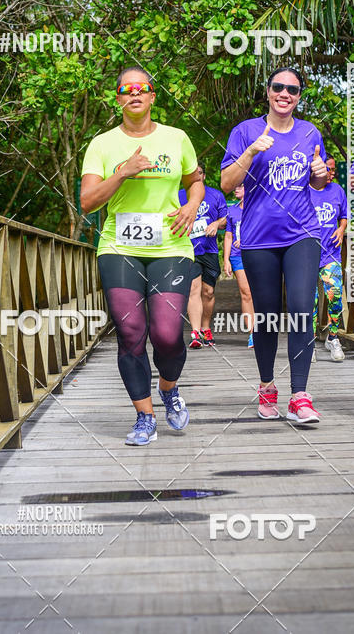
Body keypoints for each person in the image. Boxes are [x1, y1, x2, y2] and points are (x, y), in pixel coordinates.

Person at [80, 66, 204, 445]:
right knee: (131, 333)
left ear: (152, 97)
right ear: (118, 98)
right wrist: (123, 172)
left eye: (142, 88)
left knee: (167, 335)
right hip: (120, 247)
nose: (134, 93)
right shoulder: (102, 144)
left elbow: (195, 179)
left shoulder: (176, 137)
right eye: (126, 89)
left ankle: (169, 389)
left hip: (171, 246)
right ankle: (144, 416)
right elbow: (87, 203)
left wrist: (192, 207)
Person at [221, 67, 328, 424]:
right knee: (266, 315)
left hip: (303, 233)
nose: (285, 94)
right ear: (268, 92)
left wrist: (319, 175)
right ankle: (267, 386)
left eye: (293, 89)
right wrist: (251, 152)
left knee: (300, 307)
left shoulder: (310, 132)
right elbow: (226, 183)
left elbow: (319, 181)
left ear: (299, 96)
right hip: (258, 238)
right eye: (278, 87)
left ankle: (300, 395)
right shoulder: (245, 131)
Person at [179, 165, 227, 347]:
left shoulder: (215, 195)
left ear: (204, 176)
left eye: (199, 173)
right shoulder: (178, 195)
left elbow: (226, 219)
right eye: (192, 174)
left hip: (209, 250)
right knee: (193, 289)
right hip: (188, 249)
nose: (196, 176)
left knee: (208, 292)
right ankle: (195, 333)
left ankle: (206, 328)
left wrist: (216, 223)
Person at [310, 156, 348, 362]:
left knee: (335, 298)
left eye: (334, 169)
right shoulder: (304, 190)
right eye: (329, 169)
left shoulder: (337, 191)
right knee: (310, 301)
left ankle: (333, 337)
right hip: (306, 254)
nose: (332, 173)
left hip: (330, 253)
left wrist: (342, 229)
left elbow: (344, 214)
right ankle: (309, 342)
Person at [223, 184, 255, 347]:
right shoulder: (232, 210)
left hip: (257, 254)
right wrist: (226, 259)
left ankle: (263, 330)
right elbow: (228, 236)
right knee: (246, 292)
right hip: (237, 256)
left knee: (260, 293)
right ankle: (252, 333)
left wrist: (247, 239)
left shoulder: (257, 207)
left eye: (241, 186)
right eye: (234, 187)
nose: (236, 189)